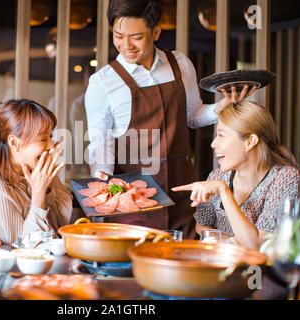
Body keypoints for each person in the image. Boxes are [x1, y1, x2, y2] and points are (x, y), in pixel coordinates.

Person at [84, 0, 256, 235]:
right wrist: (102, 174)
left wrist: (221, 107)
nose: (126, 45)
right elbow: (100, 142)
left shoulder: (180, 64)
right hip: (134, 204)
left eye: (136, 37)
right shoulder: (103, 82)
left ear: (156, 32)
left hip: (183, 195)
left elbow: (193, 116)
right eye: (118, 36)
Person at [172, 101, 300, 250]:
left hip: (257, 271)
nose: (213, 144)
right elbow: (202, 223)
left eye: (221, 135)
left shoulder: (284, 178)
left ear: (250, 141)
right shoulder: (217, 176)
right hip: (220, 263)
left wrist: (224, 191)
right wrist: (225, 241)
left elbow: (256, 245)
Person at [0, 99, 72, 245]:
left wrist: (47, 184)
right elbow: (28, 248)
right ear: (15, 143)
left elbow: (61, 226)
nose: (51, 146)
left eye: (50, 137)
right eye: (43, 139)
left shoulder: (38, 172)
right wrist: (38, 193)